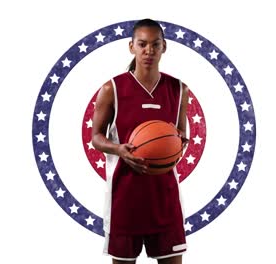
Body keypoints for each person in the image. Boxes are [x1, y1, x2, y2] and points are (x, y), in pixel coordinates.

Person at [91, 18, 189, 264]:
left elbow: (179, 137)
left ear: (164, 47)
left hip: (164, 197)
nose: (149, 51)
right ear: (131, 46)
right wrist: (119, 150)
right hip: (125, 198)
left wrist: (176, 144)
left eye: (155, 45)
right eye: (142, 44)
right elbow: (96, 138)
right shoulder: (111, 88)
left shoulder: (179, 89)